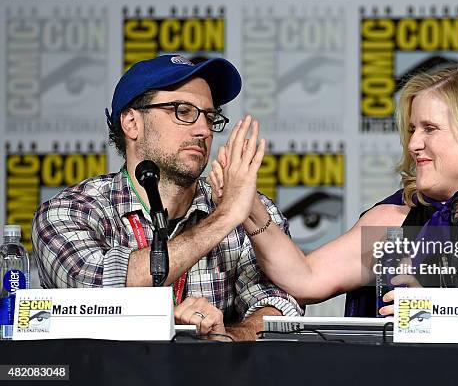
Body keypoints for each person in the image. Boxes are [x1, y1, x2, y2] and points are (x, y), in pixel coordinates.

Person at [207, 64, 458, 318]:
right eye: (411, 130)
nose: (413, 145)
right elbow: (304, 279)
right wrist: (249, 206)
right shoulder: (393, 219)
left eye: (430, 129)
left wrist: (448, 311)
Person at [32, 55, 302, 340]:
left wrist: (230, 337)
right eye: (183, 111)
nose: (203, 130)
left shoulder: (248, 212)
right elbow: (94, 290)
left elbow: (280, 303)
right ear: (132, 123)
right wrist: (223, 219)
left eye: (210, 117)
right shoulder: (68, 212)